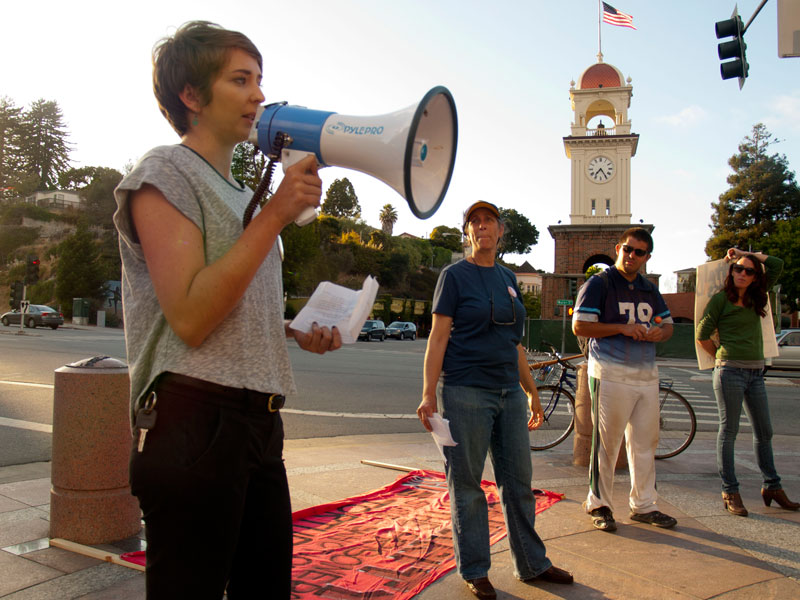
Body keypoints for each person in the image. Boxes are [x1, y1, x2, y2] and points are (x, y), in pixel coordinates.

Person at [113, 21, 341, 599]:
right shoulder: (163, 172)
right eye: (241, 80)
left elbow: (230, 300)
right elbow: (189, 315)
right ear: (191, 95)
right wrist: (274, 217)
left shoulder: (244, 193)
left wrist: (292, 330)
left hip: (259, 422)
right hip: (193, 419)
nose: (259, 96)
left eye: (259, 80)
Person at [416, 201, 573, 600]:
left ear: (501, 231)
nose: (482, 226)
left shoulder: (507, 278)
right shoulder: (454, 277)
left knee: (519, 481)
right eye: (474, 222)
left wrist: (531, 391)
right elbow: (438, 337)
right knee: (467, 484)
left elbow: (514, 342)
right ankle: (475, 569)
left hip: (509, 392)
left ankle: (532, 564)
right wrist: (428, 393)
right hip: (466, 390)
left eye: (489, 221)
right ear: (467, 234)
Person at [572, 227, 677, 532]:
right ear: (618, 248)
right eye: (627, 249)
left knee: (645, 443)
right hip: (610, 371)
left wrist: (660, 332)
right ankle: (599, 503)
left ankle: (644, 504)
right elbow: (580, 326)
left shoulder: (648, 288)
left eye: (639, 252)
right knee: (607, 444)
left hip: (646, 374)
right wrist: (621, 328)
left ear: (647, 257)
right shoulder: (600, 283)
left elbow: (668, 325)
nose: (631, 256)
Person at [696, 248, 799, 516]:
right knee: (729, 431)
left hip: (756, 373)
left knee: (765, 432)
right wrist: (720, 356)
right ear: (731, 273)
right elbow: (702, 333)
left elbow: (776, 264)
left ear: (755, 277)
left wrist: (745, 253)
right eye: (738, 268)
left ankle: (772, 486)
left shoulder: (758, 298)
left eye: (748, 270)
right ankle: (730, 491)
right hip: (729, 371)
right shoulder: (721, 300)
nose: (742, 273)